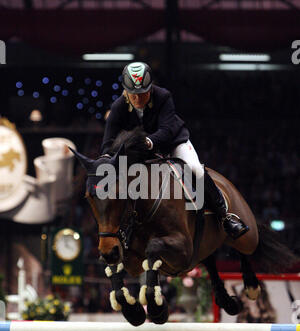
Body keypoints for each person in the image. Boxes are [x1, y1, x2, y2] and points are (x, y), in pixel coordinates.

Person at [100, 62, 249, 239]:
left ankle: (225, 216)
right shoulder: (118, 106)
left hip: (173, 142)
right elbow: (108, 142)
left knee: (195, 169)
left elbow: (167, 130)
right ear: (126, 91)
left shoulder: (163, 96)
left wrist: (148, 142)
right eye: (134, 95)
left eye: (143, 93)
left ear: (151, 87)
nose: (139, 100)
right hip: (143, 152)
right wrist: (106, 160)